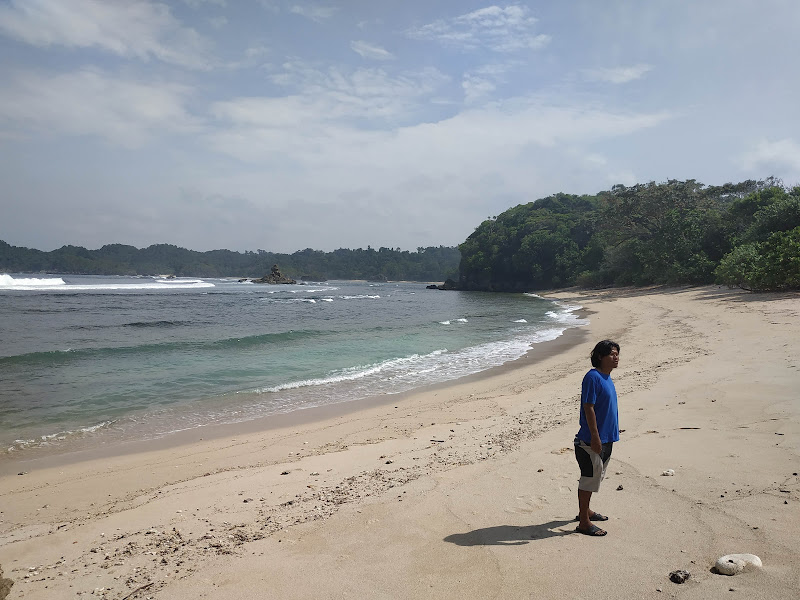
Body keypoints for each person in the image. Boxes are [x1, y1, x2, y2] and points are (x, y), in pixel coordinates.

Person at [574, 339, 620, 536]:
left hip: (607, 438)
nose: (616, 357)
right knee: (588, 479)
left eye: (617, 353)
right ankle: (584, 522)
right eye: (611, 354)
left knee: (595, 479)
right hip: (590, 441)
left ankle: (587, 511)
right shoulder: (592, 377)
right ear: (600, 356)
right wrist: (595, 436)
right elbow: (588, 407)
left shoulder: (606, 377)